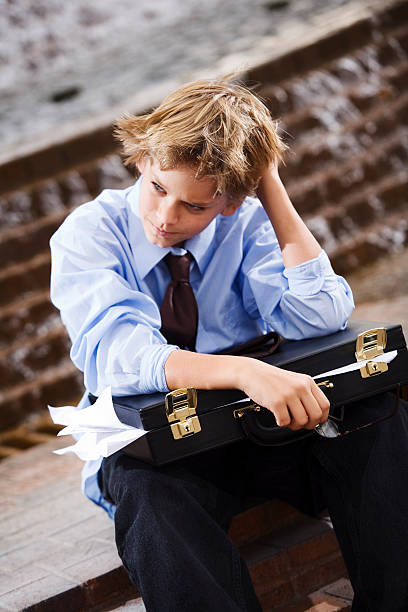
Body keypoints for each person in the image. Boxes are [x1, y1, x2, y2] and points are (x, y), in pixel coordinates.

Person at [50, 76, 408, 611]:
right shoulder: (90, 234)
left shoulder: (246, 220)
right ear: (142, 159)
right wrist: (245, 372)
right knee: (147, 494)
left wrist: (270, 188)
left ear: (232, 200)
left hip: (269, 433)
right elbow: (120, 357)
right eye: (157, 188)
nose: (167, 218)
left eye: (195, 207)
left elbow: (320, 314)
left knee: (377, 415)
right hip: (171, 451)